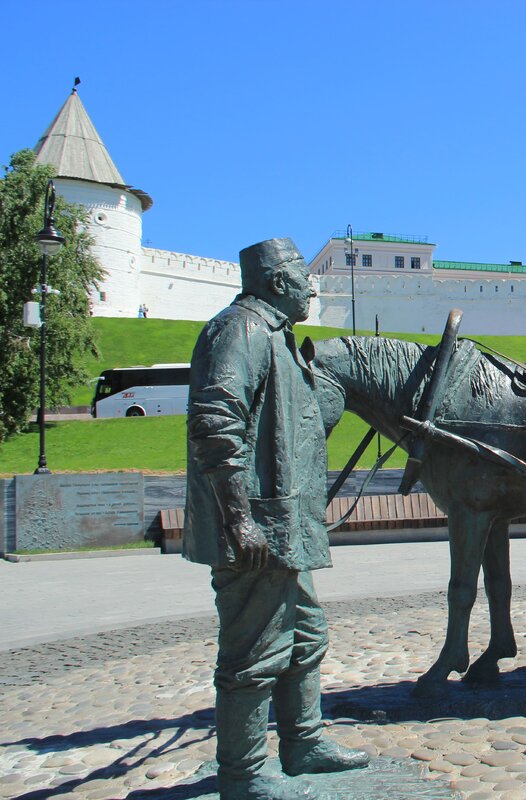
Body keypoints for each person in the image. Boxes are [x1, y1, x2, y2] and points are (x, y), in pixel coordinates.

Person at [185, 238, 368, 800]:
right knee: (253, 651)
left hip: (288, 529)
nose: (310, 286)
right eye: (299, 275)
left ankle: (304, 740)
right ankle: (242, 775)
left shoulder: (280, 340)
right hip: (259, 530)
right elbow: (216, 424)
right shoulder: (240, 331)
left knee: (307, 636)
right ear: (272, 281)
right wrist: (239, 520)